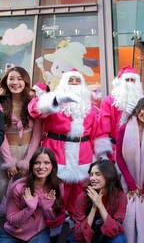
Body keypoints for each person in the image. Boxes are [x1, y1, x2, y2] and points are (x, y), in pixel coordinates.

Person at [28, 69, 99, 215]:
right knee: (56, 194)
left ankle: (76, 228)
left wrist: (98, 158)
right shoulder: (53, 103)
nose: (73, 83)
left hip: (83, 156)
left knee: (79, 197)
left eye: (77, 80)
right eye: (70, 80)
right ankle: (54, 227)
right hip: (56, 152)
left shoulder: (91, 108)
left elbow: (96, 135)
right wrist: (56, 100)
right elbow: (33, 110)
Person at [116, 97, 144, 243]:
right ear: (138, 109)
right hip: (127, 182)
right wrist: (130, 182)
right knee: (128, 218)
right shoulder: (124, 128)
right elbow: (118, 157)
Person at [0, 147, 64, 243]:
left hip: (37, 232)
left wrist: (46, 206)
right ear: (31, 166)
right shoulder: (19, 186)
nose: (41, 167)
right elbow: (11, 219)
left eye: (46, 163)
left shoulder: (57, 185)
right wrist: (30, 208)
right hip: (12, 233)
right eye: (37, 163)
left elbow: (53, 217)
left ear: (53, 166)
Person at [0, 67, 42, 203]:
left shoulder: (34, 103)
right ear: (6, 81)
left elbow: (36, 135)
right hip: (5, 153)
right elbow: (2, 136)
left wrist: (27, 161)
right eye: (11, 78)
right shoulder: (1, 104)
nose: (15, 82)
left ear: (26, 82)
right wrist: (8, 162)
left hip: (28, 153)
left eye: (19, 79)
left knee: (24, 194)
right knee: (3, 190)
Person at [70, 160, 127, 243]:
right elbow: (79, 235)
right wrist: (94, 207)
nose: (92, 178)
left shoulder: (120, 197)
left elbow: (114, 230)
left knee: (119, 240)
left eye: (97, 174)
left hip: (106, 235)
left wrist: (100, 205)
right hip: (86, 236)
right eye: (91, 174)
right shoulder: (83, 197)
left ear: (109, 175)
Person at [95, 66, 144, 161]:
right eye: (127, 80)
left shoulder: (142, 101)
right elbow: (103, 129)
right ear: (120, 82)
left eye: (132, 80)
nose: (129, 83)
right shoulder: (109, 101)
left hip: (137, 149)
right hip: (115, 149)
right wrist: (104, 152)